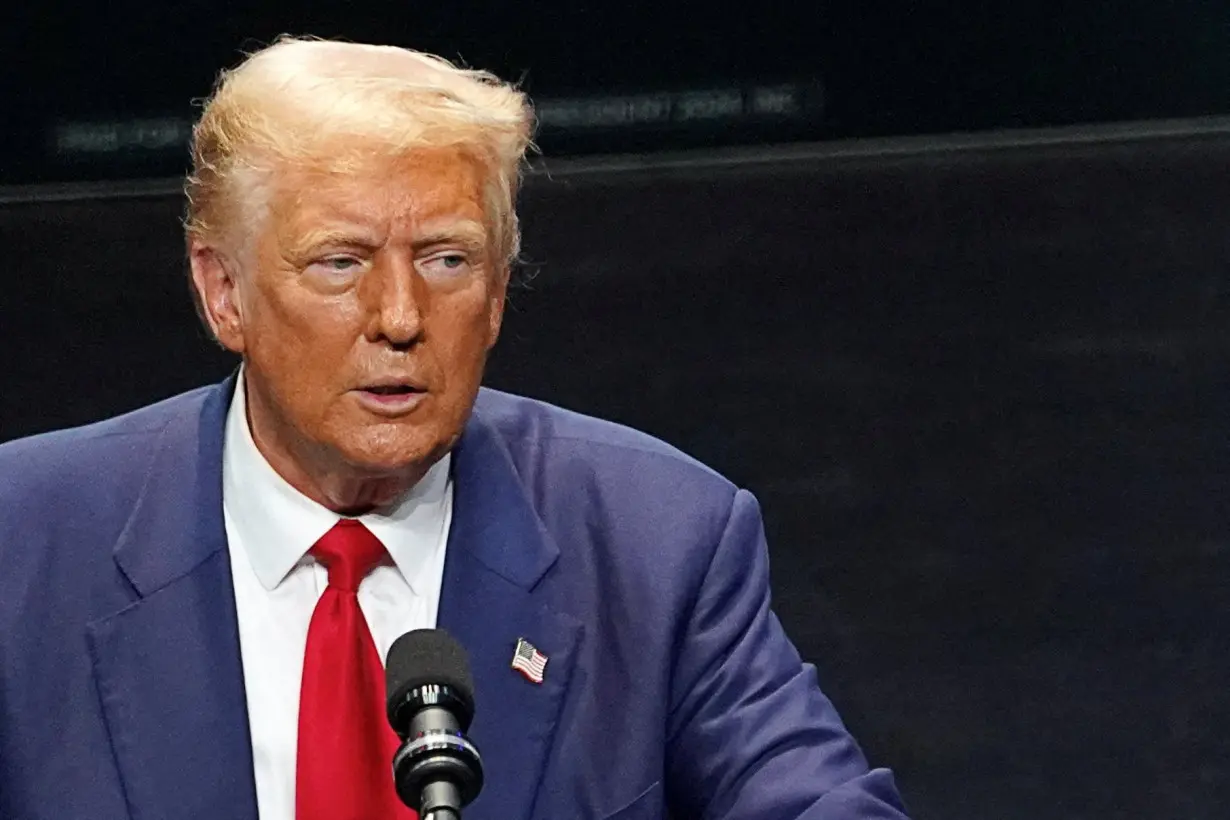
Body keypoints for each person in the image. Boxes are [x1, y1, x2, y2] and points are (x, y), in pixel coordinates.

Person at [0, 37, 909, 820]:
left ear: (500, 292)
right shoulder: (27, 541)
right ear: (223, 291)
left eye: (447, 259)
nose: (399, 315)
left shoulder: (655, 540)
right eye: (339, 262)